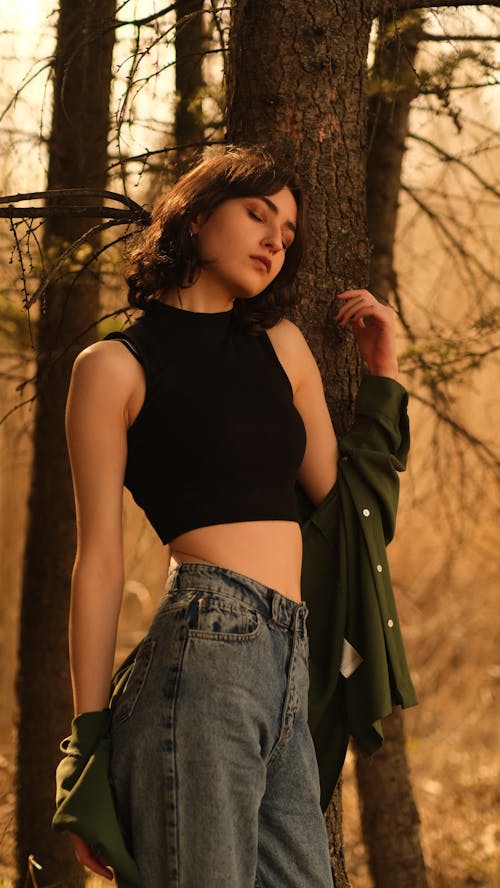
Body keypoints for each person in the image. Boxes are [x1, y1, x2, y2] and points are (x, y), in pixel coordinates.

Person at [63, 146, 400, 887]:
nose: (276, 239)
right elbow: (99, 562)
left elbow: (340, 502)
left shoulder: (281, 347)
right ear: (194, 214)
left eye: (287, 229)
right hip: (203, 647)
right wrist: (85, 745)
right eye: (256, 214)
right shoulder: (114, 367)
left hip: (291, 655)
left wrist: (384, 378)